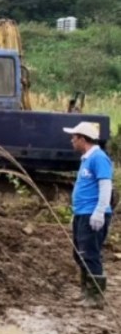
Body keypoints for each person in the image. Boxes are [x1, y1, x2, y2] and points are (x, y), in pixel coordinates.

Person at [65, 121, 112, 305]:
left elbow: (105, 185)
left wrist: (99, 211)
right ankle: (86, 292)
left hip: (92, 215)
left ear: (83, 139)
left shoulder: (98, 158)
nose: (72, 141)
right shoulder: (86, 159)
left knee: (90, 254)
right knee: (80, 254)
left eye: (74, 138)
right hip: (82, 214)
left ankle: (95, 297)